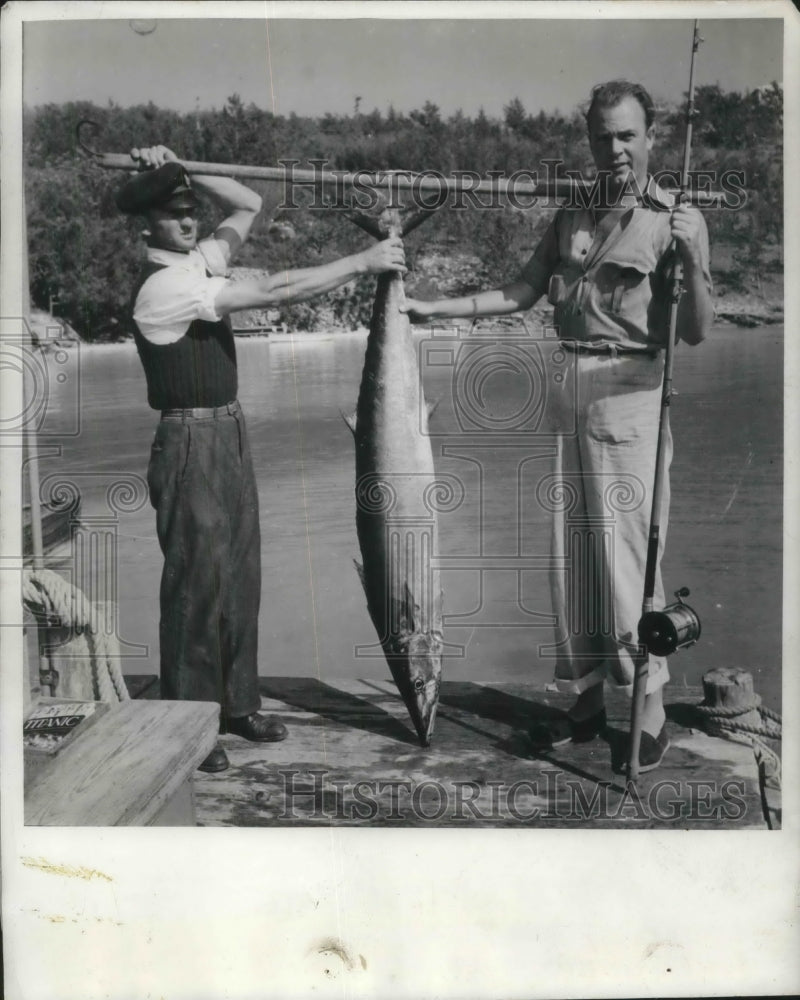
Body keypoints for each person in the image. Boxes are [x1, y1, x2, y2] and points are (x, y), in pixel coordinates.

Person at [403, 81, 713, 772]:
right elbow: (521, 290)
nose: (615, 149)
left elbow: (694, 332)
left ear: (651, 137)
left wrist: (691, 255)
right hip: (568, 386)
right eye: (603, 136)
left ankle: (650, 708)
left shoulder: (674, 217)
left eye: (627, 135)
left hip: (632, 391)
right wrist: (434, 310)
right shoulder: (572, 211)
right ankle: (584, 705)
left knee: (627, 561)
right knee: (570, 559)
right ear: (589, 140)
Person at [116, 144, 405, 773]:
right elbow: (276, 289)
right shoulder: (164, 285)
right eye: (173, 213)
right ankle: (190, 722)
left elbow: (249, 202)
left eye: (191, 208)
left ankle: (237, 705)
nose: (189, 221)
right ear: (147, 226)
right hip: (188, 439)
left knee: (241, 572)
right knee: (196, 583)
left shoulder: (200, 260)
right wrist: (365, 261)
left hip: (231, 431)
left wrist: (184, 162)